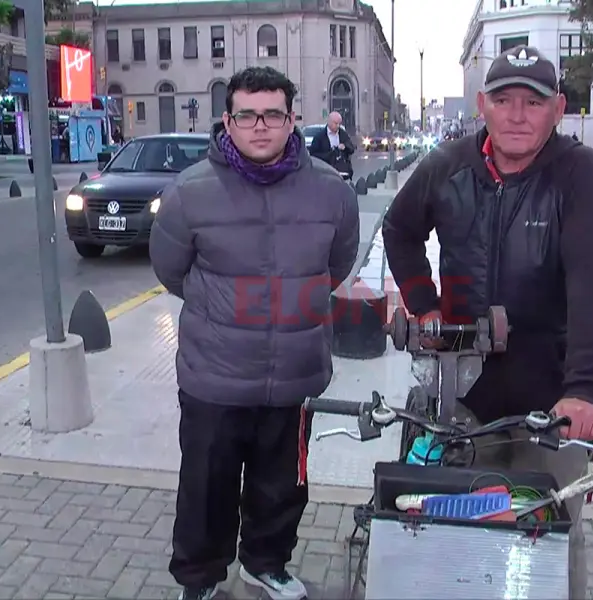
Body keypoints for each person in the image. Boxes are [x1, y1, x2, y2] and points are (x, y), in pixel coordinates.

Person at [381, 45, 593, 600]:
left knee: (550, 535)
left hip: (550, 400)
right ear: (482, 105)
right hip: (462, 393)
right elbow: (398, 230)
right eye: (504, 100)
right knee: (454, 534)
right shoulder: (447, 165)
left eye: (532, 102)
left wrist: (586, 389)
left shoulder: (579, 173)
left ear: (557, 109)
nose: (517, 115)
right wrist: (425, 305)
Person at [149, 66, 360, 600]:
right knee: (205, 488)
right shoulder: (189, 192)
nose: (259, 126)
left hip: (294, 372)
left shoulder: (332, 192)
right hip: (214, 376)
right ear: (228, 120)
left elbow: (337, 266)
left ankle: (265, 563)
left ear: (293, 120)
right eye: (247, 114)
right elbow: (171, 271)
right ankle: (199, 580)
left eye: (273, 114)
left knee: (282, 486)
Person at [308, 111, 354, 177]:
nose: (338, 126)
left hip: (342, 172)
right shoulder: (320, 136)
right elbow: (313, 155)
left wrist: (345, 147)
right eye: (336, 123)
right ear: (329, 122)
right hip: (325, 172)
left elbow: (351, 148)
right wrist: (330, 155)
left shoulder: (342, 134)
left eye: (339, 123)